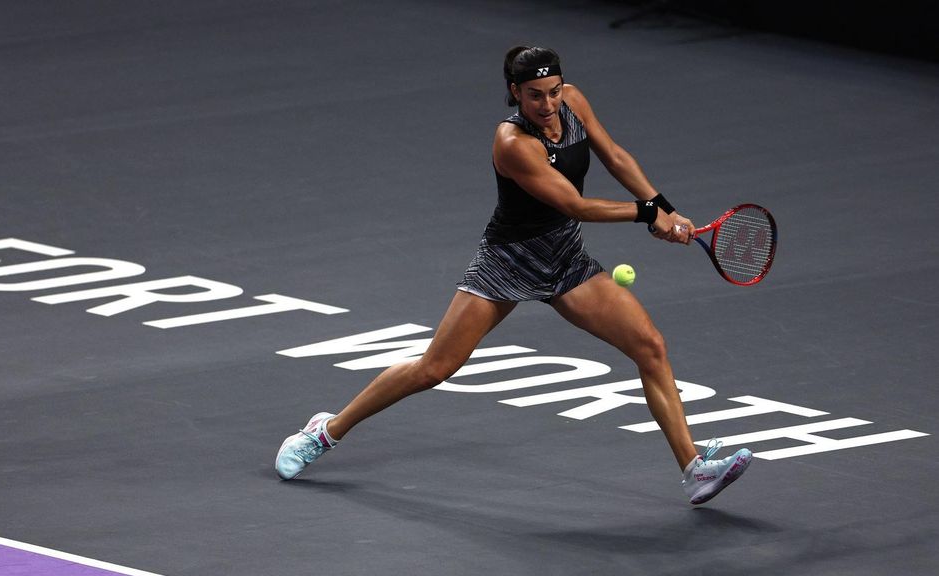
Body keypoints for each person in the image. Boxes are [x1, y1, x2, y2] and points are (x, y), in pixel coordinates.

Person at [275, 46, 751, 505]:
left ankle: (693, 469)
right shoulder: (512, 143)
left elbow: (615, 155)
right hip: (507, 262)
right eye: (535, 95)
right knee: (435, 368)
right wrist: (646, 215)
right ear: (515, 93)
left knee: (650, 347)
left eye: (554, 91)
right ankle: (326, 431)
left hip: (565, 258)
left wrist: (664, 207)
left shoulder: (573, 102)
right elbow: (574, 204)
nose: (548, 104)